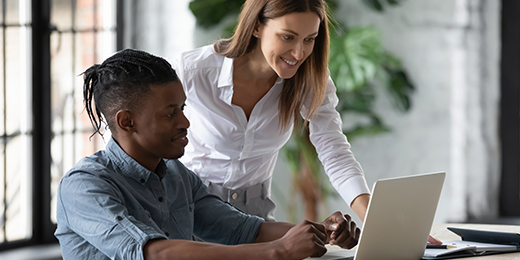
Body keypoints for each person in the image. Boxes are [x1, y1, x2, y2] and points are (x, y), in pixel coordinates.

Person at [54, 49, 361, 260]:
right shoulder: (84, 186)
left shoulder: (177, 175)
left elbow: (243, 229)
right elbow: (154, 253)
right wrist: (279, 251)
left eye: (183, 109)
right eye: (170, 113)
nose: (185, 122)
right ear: (126, 121)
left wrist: (321, 232)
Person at [173, 0, 371, 222]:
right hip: (188, 209)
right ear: (257, 26)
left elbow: (334, 150)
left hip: (256, 217)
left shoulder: (309, 78)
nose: (298, 53)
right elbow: (145, 139)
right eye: (288, 37)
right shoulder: (192, 71)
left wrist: (374, 220)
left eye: (309, 40)